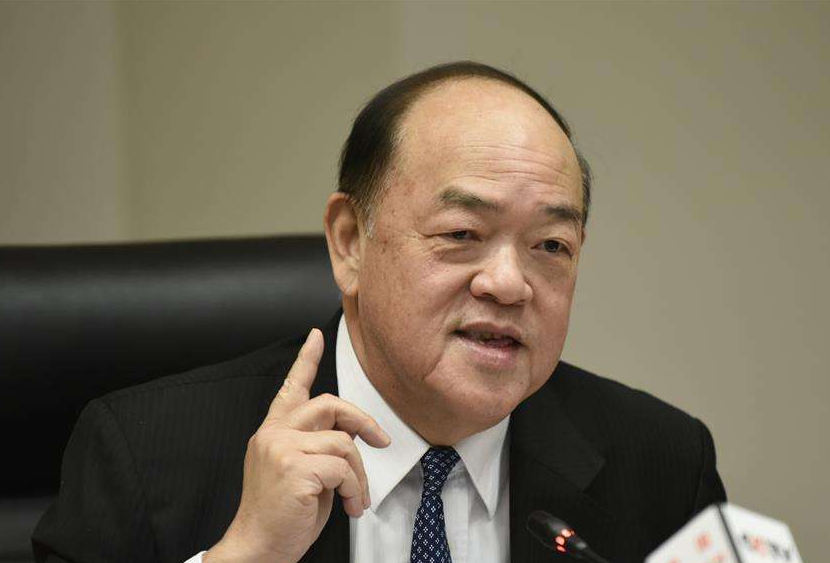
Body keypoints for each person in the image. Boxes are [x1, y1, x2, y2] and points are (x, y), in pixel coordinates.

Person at [33, 62, 726, 563]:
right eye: (462, 233)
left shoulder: (662, 464)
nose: (510, 284)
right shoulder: (144, 455)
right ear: (349, 242)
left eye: (551, 245)